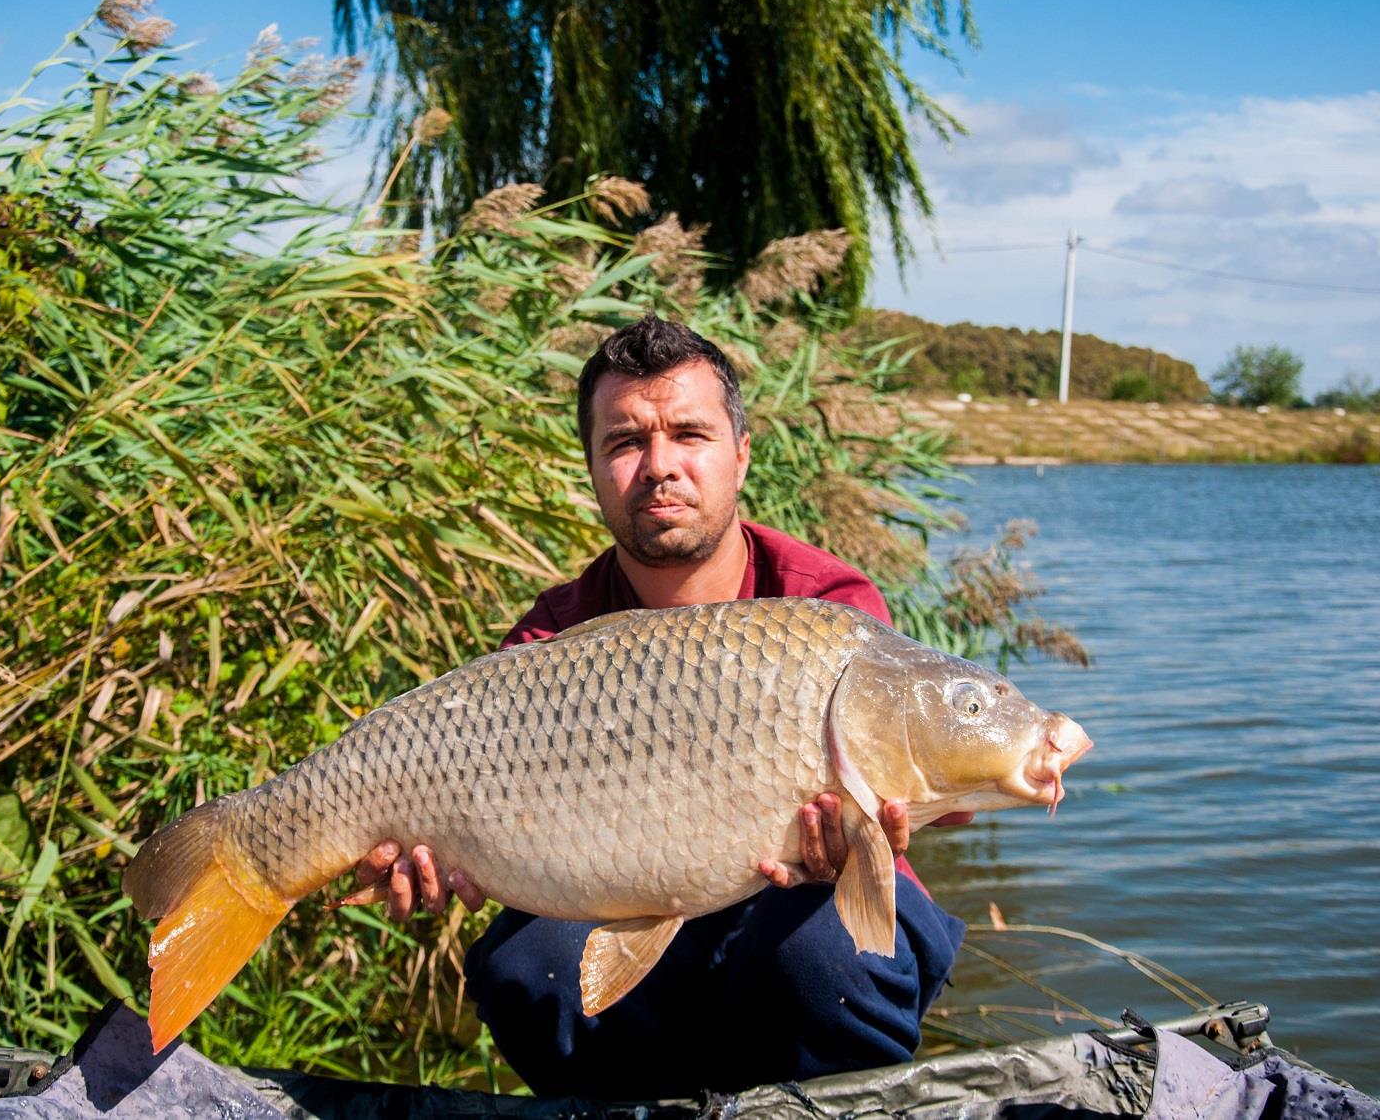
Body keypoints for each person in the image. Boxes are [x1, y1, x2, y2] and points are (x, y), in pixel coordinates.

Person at [355, 314, 968, 1099]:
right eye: (625, 442)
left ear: (740, 455)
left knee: (820, 962)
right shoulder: (551, 637)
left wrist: (872, 832)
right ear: (592, 467)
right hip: (625, 899)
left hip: (799, 902)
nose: (659, 466)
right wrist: (437, 857)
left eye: (689, 434)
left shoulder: (826, 610)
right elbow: (485, 844)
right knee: (527, 969)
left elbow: (949, 799)